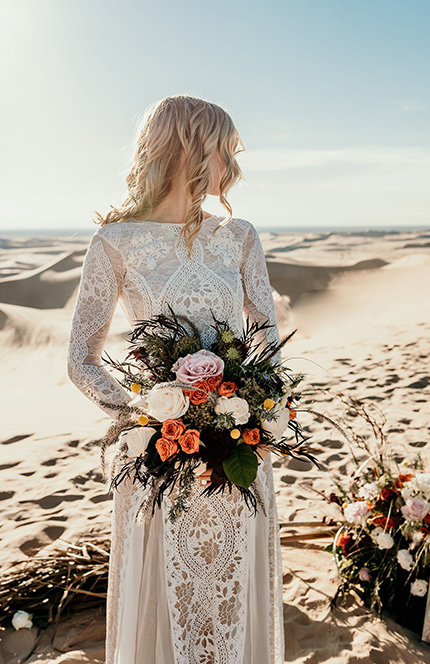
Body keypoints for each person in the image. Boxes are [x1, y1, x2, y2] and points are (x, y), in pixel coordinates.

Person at [67, 94, 285, 664]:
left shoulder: (240, 236)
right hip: (160, 454)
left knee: (233, 592)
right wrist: (149, 408)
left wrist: (256, 398)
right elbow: (81, 359)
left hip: (238, 446)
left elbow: (265, 330)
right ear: (187, 148)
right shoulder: (115, 241)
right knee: (168, 593)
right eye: (223, 151)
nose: (232, 168)